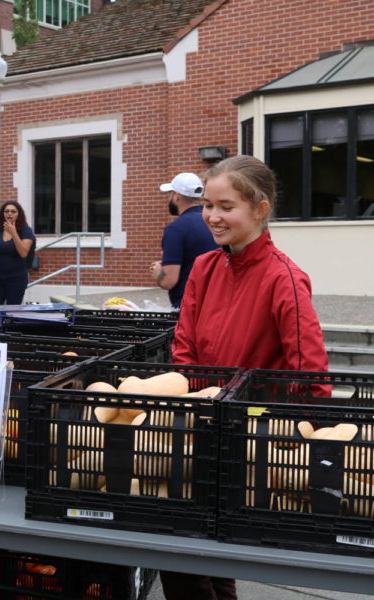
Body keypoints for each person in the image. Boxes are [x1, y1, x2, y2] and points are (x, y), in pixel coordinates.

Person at [161, 155, 329, 600]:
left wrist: (293, 435)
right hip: (198, 430)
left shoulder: (284, 279)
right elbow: (184, 346)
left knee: (199, 561)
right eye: (208, 205)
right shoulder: (205, 267)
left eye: (227, 206)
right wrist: (192, 401)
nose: (214, 216)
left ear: (260, 208)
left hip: (250, 441)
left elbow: (310, 371)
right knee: (190, 559)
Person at [149, 172, 218, 308]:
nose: (168, 199)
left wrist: (158, 273)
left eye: (170, 194)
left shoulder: (176, 229)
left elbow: (168, 281)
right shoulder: (215, 221)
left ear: (177, 196)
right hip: (216, 302)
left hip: (188, 306)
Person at [0, 201, 35, 326]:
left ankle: (10, 343)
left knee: (11, 315)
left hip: (16, 278)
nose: (9, 214)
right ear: (2, 214)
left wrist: (14, 232)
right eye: (6, 211)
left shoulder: (25, 230)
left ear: (18, 214)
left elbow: (23, 253)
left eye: (13, 211)